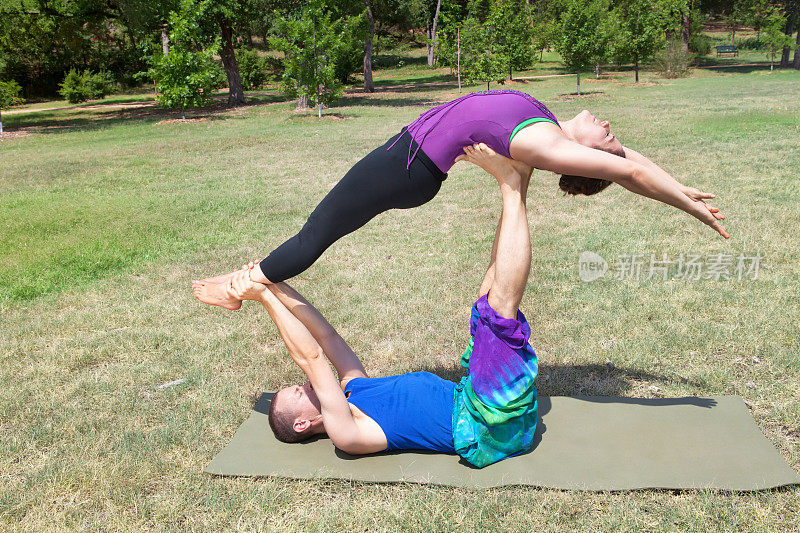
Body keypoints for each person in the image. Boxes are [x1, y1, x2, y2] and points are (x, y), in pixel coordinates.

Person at [193, 89, 728, 310]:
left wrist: (684, 205)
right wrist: (684, 187)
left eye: (607, 138)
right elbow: (631, 159)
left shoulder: (544, 143)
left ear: (583, 158)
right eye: (610, 132)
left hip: (406, 170)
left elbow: (629, 168)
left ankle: (241, 284)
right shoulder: (548, 123)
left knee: (318, 231)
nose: (610, 128)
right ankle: (248, 276)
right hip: (403, 156)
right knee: (320, 226)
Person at [217, 144, 538, 467]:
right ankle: (510, 184)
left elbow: (327, 338)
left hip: (472, 397)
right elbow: (311, 357)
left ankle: (519, 179)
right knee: (498, 312)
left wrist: (272, 281)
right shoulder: (348, 432)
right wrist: (265, 299)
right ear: (302, 424)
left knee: (486, 299)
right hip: (486, 424)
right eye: (299, 393)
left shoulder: (356, 389)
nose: (305, 384)